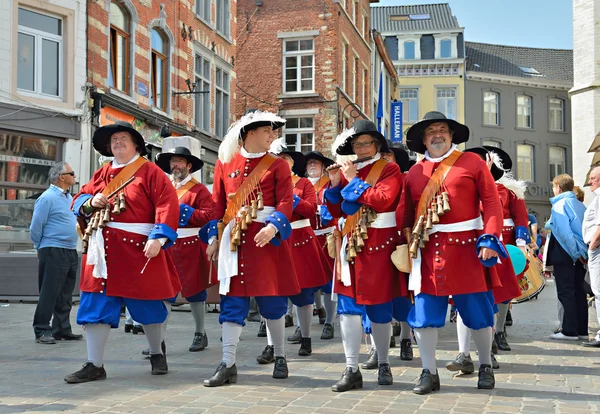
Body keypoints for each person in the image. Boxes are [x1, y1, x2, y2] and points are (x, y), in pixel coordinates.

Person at [398, 111, 506, 394]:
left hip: (467, 249)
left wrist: (489, 238)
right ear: (422, 139)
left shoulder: (471, 162)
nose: (437, 134)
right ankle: (429, 372)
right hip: (427, 251)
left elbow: (492, 203)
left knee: (478, 311)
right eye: (431, 130)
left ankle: (484, 366)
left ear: (451, 134)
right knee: (423, 315)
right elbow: (406, 217)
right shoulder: (414, 172)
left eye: (442, 129)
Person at [65, 121, 181, 383]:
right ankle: (94, 364)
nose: (117, 143)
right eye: (114, 140)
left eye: (123, 139)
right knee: (95, 305)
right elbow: (80, 200)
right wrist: (91, 202)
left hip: (139, 250)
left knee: (148, 305)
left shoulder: (151, 172)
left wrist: (159, 237)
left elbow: (167, 205)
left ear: (136, 144)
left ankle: (156, 353)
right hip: (102, 252)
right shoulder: (102, 173)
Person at [200, 109, 301, 387]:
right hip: (235, 240)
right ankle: (227, 363)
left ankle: (279, 356)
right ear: (250, 133)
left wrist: (274, 226)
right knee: (232, 301)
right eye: (267, 131)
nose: (273, 135)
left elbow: (285, 201)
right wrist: (213, 238)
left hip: (266, 238)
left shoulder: (278, 165)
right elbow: (217, 205)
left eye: (273, 131)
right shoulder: (225, 163)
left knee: (272, 301)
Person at [325, 119, 406, 392]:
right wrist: (335, 185)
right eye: (356, 144)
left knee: (379, 308)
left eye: (365, 143)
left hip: (378, 246)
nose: (360, 148)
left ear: (376, 145)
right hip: (351, 246)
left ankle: (383, 363)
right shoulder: (351, 170)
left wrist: (350, 180)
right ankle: (351, 368)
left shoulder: (389, 168)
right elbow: (337, 213)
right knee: (347, 310)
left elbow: (382, 199)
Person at [446, 146, 527, 374]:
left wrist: (521, 245)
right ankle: (464, 353)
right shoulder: (458, 186)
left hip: (493, 250)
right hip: (465, 249)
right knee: (463, 303)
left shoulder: (503, 191)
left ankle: (490, 345)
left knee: (494, 300)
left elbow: (505, 213)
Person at [260, 139, 330, 360]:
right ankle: (272, 345)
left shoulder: (303, 184)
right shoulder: (266, 184)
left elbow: (310, 209)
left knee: (303, 294)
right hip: (276, 238)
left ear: (291, 162)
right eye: (277, 159)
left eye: (285, 159)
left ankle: (306, 337)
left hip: (299, 239)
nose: (281, 162)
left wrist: (293, 199)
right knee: (273, 292)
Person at [156, 146, 215, 352]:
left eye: (180, 161)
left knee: (195, 292)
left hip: (190, 244)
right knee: (164, 292)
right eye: (173, 161)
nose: (176, 165)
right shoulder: (164, 188)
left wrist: (189, 213)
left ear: (189, 166)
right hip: (167, 245)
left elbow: (210, 215)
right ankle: (159, 340)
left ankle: (200, 332)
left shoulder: (199, 190)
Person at [362, 142, 414, 368]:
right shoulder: (368, 178)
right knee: (374, 296)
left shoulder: (404, 179)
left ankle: (405, 338)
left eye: (388, 155)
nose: (383, 159)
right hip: (372, 240)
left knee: (402, 296)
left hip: (400, 239)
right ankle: (376, 347)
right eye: (381, 154)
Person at [30, 161, 82, 344]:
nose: (74, 177)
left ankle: (61, 329)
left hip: (69, 250)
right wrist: (40, 247)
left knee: (65, 293)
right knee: (49, 292)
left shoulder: (69, 197)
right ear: (61, 177)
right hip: (53, 249)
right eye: (72, 173)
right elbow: (36, 227)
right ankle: (42, 329)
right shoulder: (46, 198)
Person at [546, 174, 588, 341]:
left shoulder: (560, 204)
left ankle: (569, 330)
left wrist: (575, 252)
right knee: (579, 291)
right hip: (578, 254)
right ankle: (581, 330)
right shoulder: (579, 204)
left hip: (566, 253)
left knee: (566, 291)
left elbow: (564, 232)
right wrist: (580, 253)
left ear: (558, 188)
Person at [303, 150, 338, 340]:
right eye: (309, 164)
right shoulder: (301, 185)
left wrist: (324, 210)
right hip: (308, 236)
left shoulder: (329, 184)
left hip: (327, 237)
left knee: (328, 283)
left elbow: (337, 206)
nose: (313, 166)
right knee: (308, 281)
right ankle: (308, 319)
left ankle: (330, 322)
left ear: (323, 166)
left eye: (316, 163)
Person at [582, 166, 600, 347]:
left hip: (598, 248)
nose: (590, 182)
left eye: (593, 178)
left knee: (599, 291)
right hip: (596, 248)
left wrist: (593, 246)